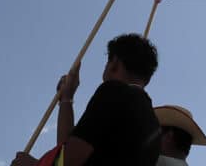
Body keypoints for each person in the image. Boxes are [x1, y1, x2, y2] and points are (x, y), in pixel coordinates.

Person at [12, 33, 161, 166]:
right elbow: (70, 148)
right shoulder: (155, 127)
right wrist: (67, 99)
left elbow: (68, 161)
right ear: (147, 79)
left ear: (114, 63)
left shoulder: (113, 91)